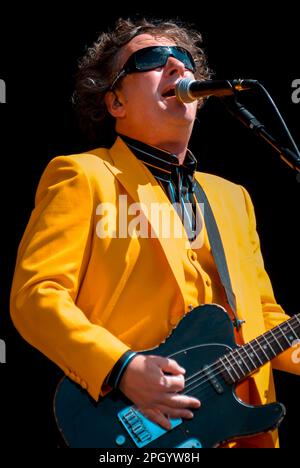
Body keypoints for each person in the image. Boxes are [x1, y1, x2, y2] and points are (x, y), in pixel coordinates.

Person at [10, 17, 299, 448]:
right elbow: (37, 295)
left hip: (238, 434)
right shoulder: (83, 175)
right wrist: (121, 367)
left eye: (184, 61)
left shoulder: (232, 198)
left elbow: (262, 316)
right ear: (116, 103)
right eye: (151, 60)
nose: (175, 67)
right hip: (131, 426)